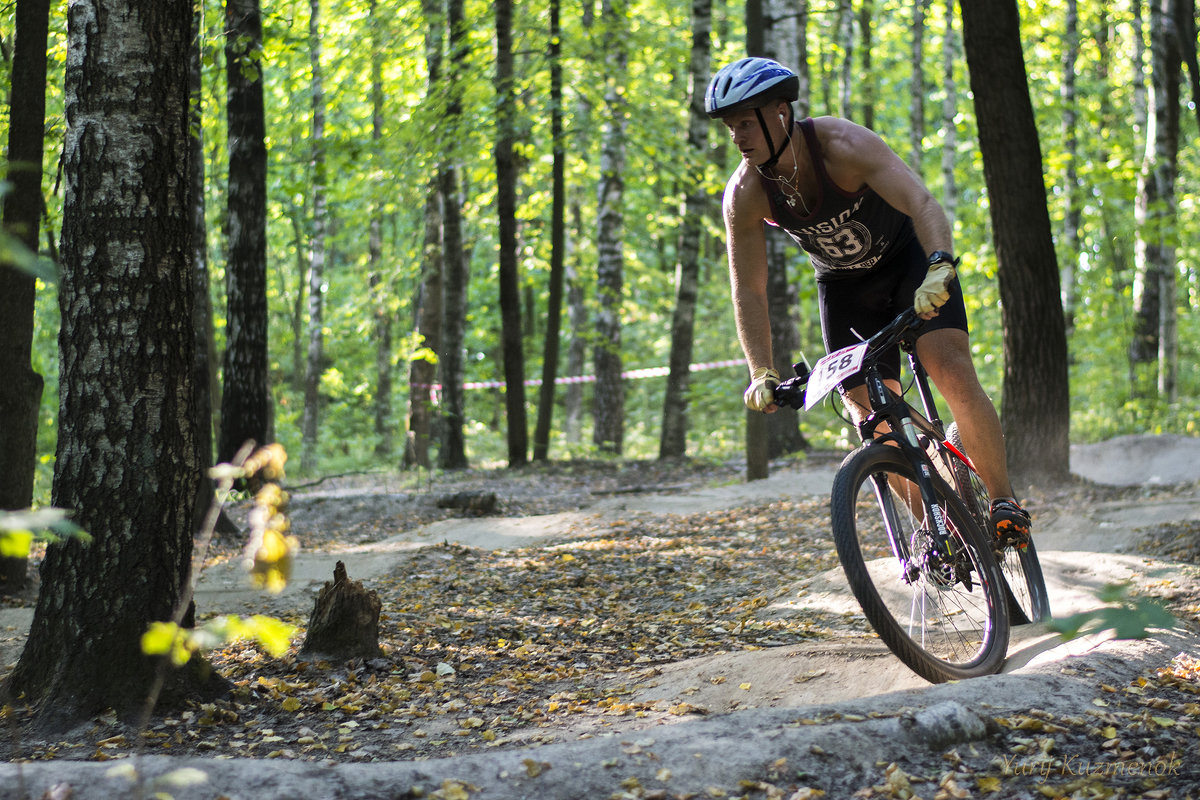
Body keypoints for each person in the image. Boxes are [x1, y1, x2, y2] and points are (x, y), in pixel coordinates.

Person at [706, 56, 1031, 547]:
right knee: (871, 418)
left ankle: (1005, 502)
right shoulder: (746, 193)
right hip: (843, 288)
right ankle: (939, 531)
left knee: (948, 366)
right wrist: (761, 371)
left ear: (780, 113)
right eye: (731, 128)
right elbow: (749, 289)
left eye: (746, 123)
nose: (737, 137)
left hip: (909, 262)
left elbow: (922, 202)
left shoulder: (841, 145)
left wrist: (940, 265)